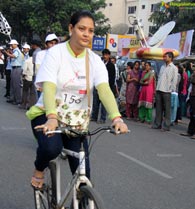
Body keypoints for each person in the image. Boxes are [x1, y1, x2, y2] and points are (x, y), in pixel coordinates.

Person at [26, 10, 128, 193]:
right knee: (52, 149)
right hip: (47, 115)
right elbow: (48, 86)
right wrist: (51, 116)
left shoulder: (95, 60)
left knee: (83, 174)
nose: (86, 34)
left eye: (90, 30)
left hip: (76, 122)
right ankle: (39, 169)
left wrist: (116, 118)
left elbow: (104, 90)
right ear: (71, 28)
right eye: (82, 28)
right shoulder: (56, 53)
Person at [152, 52, 178, 131]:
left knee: (167, 109)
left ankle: (166, 126)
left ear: (170, 58)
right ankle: (157, 124)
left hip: (167, 90)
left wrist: (171, 89)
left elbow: (174, 80)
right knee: (158, 108)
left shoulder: (174, 68)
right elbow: (159, 77)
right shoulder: (163, 66)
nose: (164, 58)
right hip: (159, 89)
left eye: (165, 57)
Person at [91, 48, 116, 123]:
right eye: (104, 55)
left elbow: (112, 78)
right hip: (97, 86)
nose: (105, 56)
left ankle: (102, 118)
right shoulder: (99, 63)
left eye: (106, 55)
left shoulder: (111, 65)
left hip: (106, 87)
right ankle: (94, 117)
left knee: (104, 104)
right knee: (95, 103)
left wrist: (109, 87)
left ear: (109, 55)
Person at [180, 55, 195, 139]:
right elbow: (191, 79)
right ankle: (190, 131)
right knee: (192, 113)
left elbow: (194, 79)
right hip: (193, 93)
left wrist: (194, 79)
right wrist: (194, 79)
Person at [3, 39, 23, 105]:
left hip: (17, 68)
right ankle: (12, 98)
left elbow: (13, 56)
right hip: (14, 68)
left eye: (12, 44)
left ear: (15, 45)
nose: (11, 45)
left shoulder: (17, 50)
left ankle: (18, 100)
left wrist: (6, 53)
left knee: (16, 85)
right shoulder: (15, 50)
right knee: (12, 84)